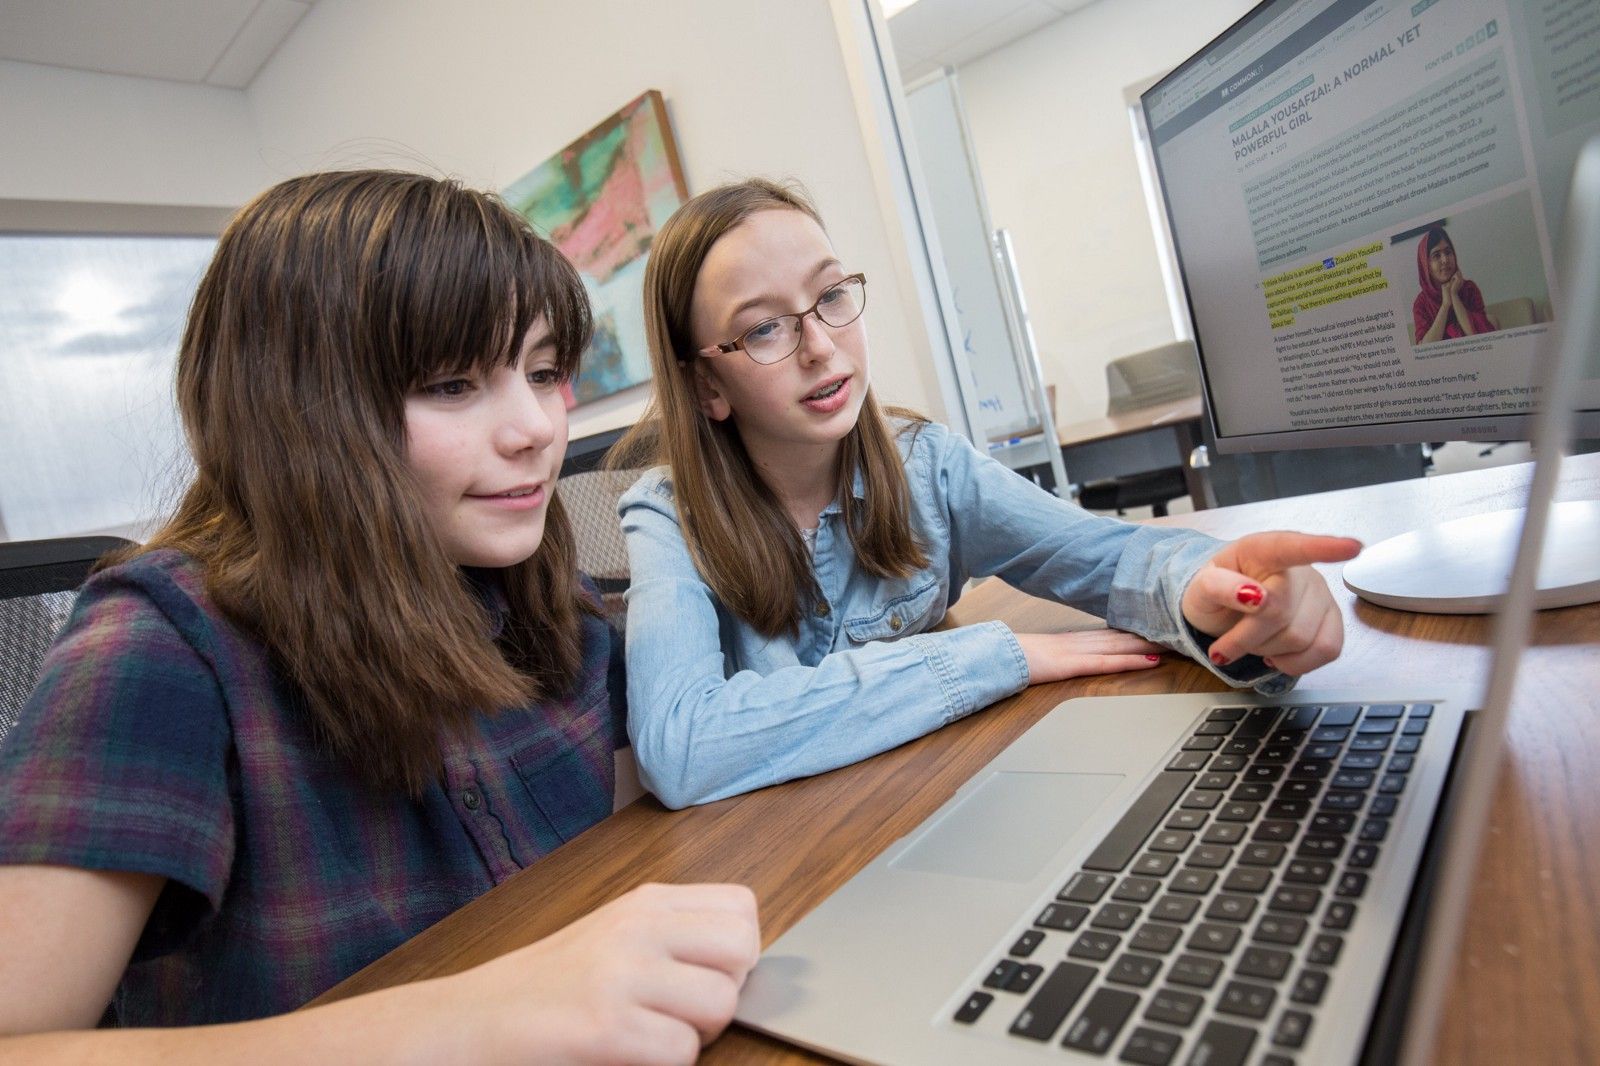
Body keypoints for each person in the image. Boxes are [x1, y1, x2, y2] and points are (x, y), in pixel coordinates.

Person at [0, 171, 757, 1063]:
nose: (536, 429)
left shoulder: (542, 597)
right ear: (301, 412)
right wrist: (467, 1018)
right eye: (450, 383)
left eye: (545, 371)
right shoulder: (164, 646)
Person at [613, 178, 1362, 810]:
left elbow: (1107, 555)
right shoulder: (667, 515)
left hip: (930, 809)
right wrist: (993, 657)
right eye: (766, 329)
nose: (821, 346)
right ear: (708, 383)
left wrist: (1211, 591)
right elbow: (683, 747)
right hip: (767, 873)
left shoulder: (927, 467)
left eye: (832, 294)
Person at [1413, 225, 1497, 344]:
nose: (1445, 260)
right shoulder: (1421, 303)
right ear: (1426, 265)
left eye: (1448, 252)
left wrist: (1454, 295)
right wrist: (1445, 305)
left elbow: (1478, 335)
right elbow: (1425, 348)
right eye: (1436, 255)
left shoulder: (1469, 288)